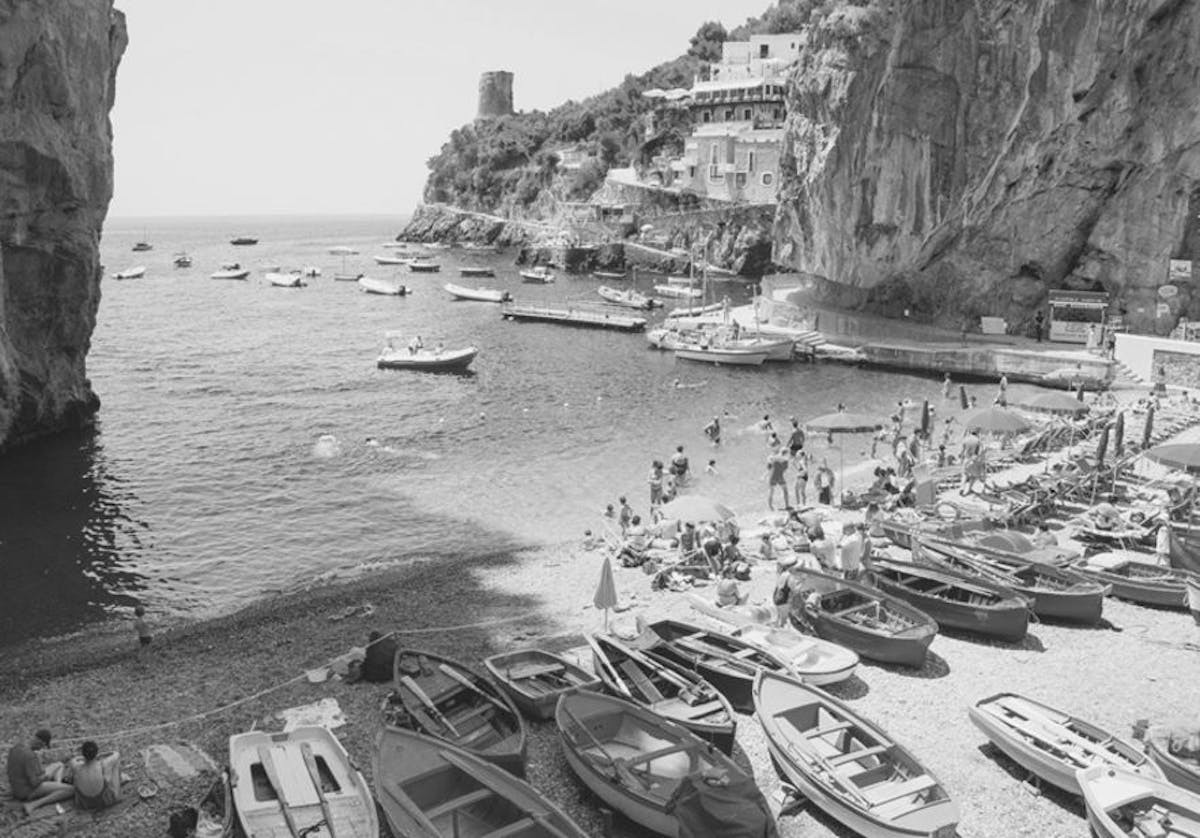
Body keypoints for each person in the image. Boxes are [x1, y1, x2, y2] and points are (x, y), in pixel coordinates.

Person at [7, 730, 73, 816]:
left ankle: (57, 788)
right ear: (40, 742)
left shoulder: (16, 747)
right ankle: (33, 804)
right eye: (43, 746)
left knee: (59, 765)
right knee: (72, 789)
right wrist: (45, 777)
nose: (42, 749)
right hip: (27, 792)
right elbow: (35, 783)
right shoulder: (30, 756)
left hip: (17, 786)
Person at [70, 741, 121, 811]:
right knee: (114, 765)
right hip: (104, 801)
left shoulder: (75, 765)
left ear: (83, 754)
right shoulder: (103, 764)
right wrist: (102, 754)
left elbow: (74, 759)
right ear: (96, 752)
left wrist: (83, 757)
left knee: (77, 774)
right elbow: (116, 754)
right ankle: (116, 791)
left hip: (84, 803)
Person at [765, 446, 790, 510]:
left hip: (773, 476)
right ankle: (787, 505)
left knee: (771, 492)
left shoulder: (773, 458)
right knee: (785, 491)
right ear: (786, 453)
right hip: (780, 476)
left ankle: (771, 507)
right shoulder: (785, 459)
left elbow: (768, 467)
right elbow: (785, 469)